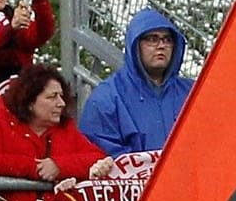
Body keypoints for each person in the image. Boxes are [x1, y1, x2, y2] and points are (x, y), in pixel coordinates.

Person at [0, 63, 109, 201]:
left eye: (62, 96)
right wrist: (35, 168)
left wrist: (59, 166)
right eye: (52, 97)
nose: (61, 103)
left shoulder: (65, 129)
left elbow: (98, 158)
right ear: (30, 101)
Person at [79, 9, 192, 156]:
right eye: (152, 39)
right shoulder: (107, 97)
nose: (161, 45)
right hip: (133, 178)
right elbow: (96, 154)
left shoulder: (193, 92)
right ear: (135, 44)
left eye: (168, 39)